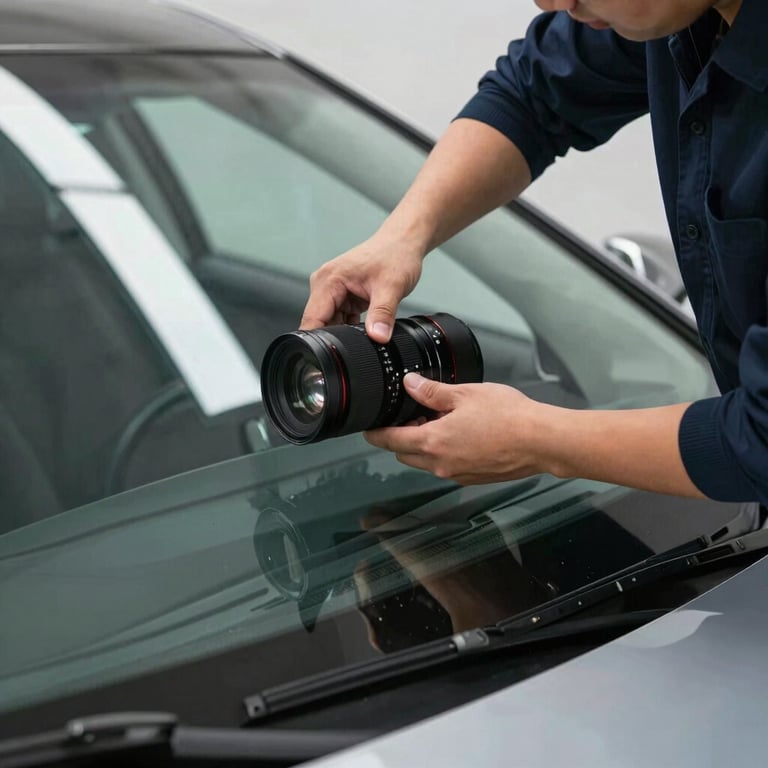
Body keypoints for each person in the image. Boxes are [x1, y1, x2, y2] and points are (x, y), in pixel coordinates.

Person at [299, 0, 768, 506]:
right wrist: (399, 239)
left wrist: (538, 440)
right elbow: (534, 92)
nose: (552, 2)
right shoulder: (674, 17)